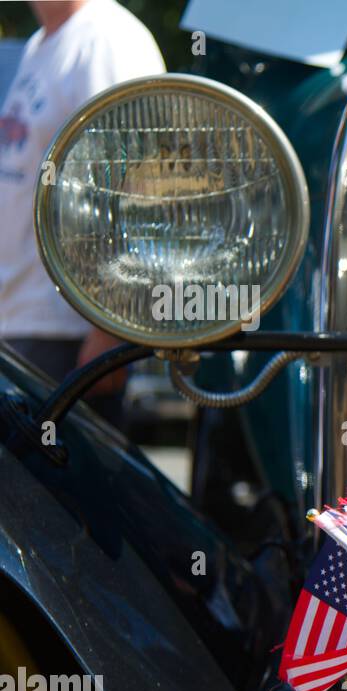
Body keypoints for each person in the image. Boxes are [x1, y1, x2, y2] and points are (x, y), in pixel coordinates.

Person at [0, 0, 164, 420]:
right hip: (23, 326)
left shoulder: (107, 40)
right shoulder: (43, 43)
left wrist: (111, 327)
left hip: (65, 335)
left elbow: (144, 189)